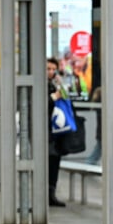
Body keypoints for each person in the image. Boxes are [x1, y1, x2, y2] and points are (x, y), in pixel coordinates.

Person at [47, 56, 67, 206]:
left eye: (54, 69)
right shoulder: (41, 85)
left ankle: (51, 192)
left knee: (54, 160)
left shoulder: (54, 84)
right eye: (48, 69)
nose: (51, 72)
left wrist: (61, 86)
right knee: (48, 160)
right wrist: (53, 97)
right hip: (45, 130)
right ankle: (46, 193)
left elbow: (66, 99)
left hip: (55, 130)